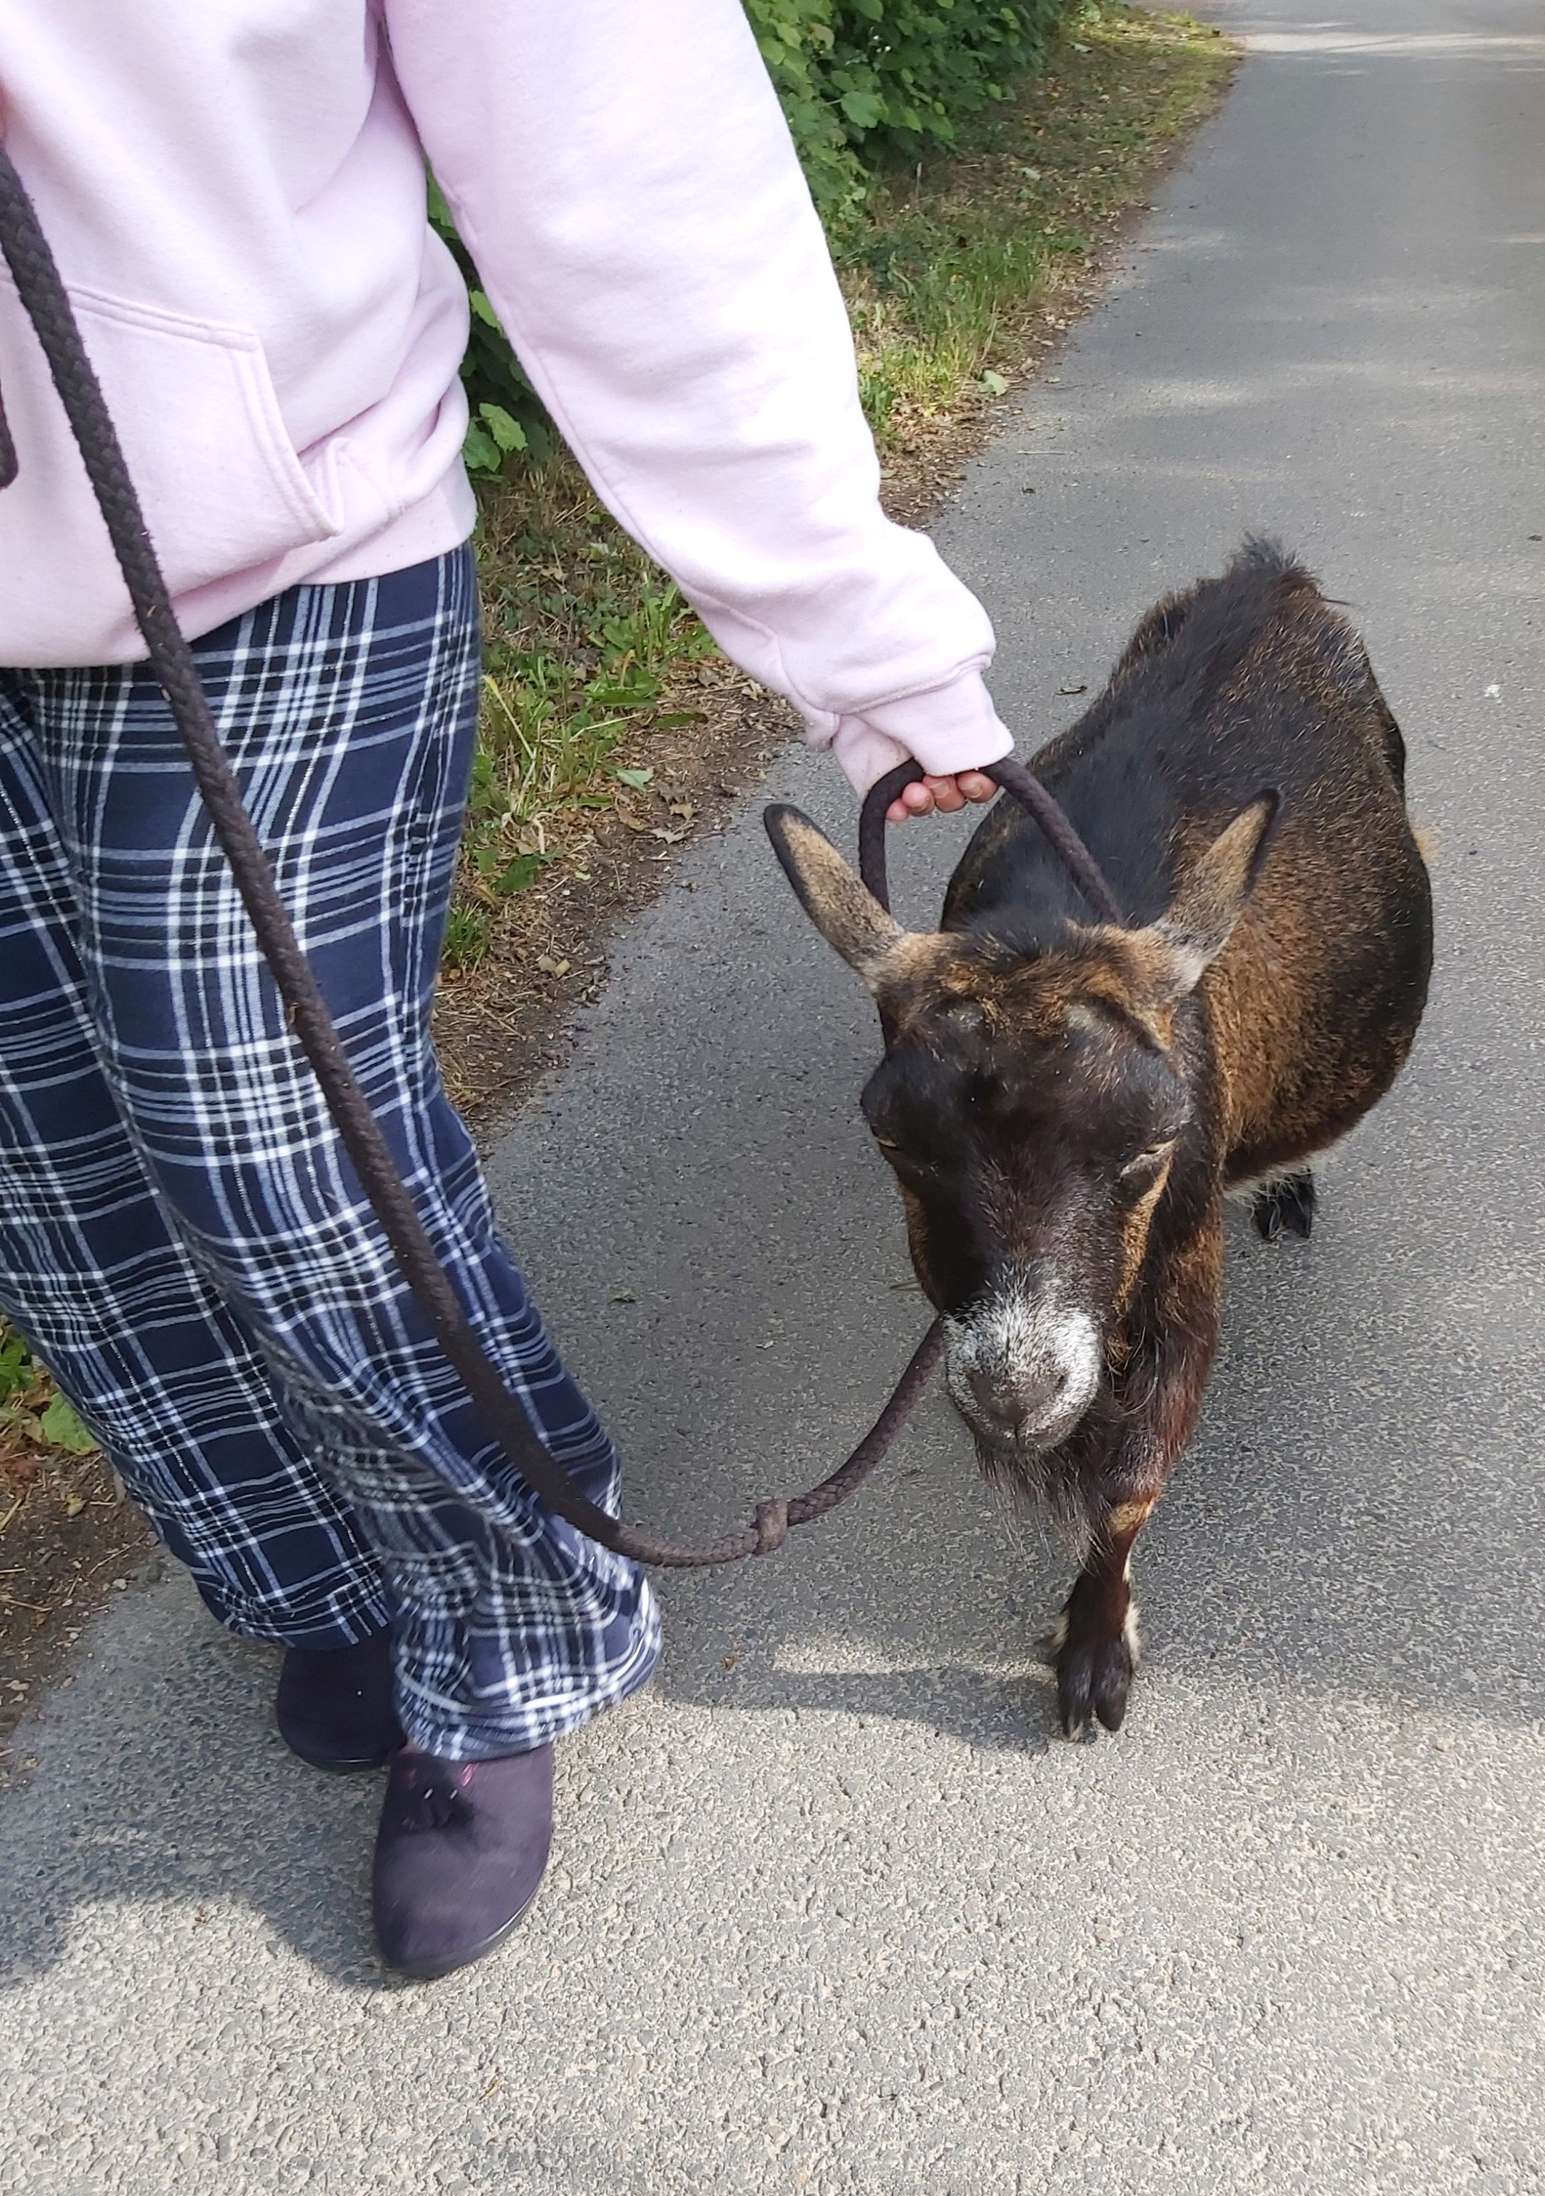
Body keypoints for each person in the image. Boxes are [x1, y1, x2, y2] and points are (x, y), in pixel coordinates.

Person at [0, 2, 1011, 1978]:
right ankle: (309, 1565)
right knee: (44, 1163)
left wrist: (861, 635)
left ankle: (503, 1624)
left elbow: (615, 136)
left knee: (261, 1132)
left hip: (270, 537)